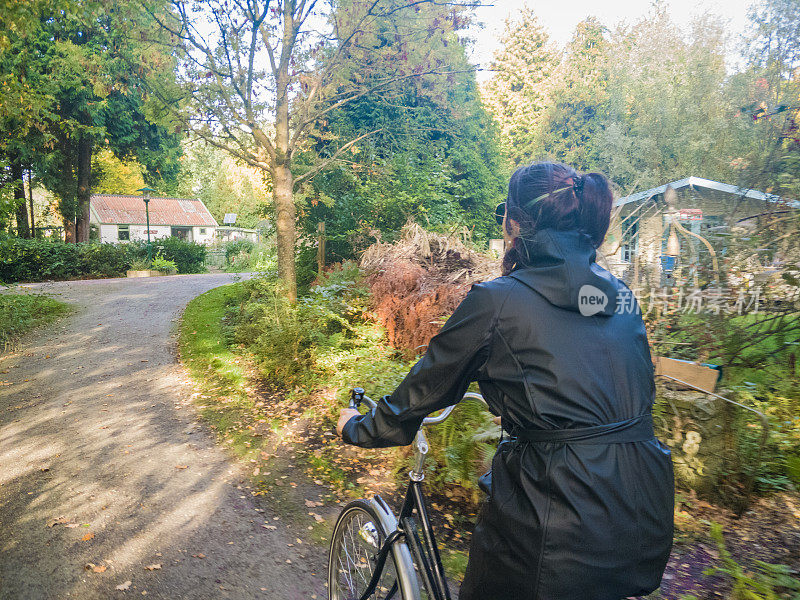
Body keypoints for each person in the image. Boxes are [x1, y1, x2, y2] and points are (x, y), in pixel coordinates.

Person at [336, 161, 674, 600]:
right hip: (639, 508)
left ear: (514, 223)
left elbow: (422, 393)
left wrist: (357, 426)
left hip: (553, 518)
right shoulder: (616, 295)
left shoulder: (499, 301)